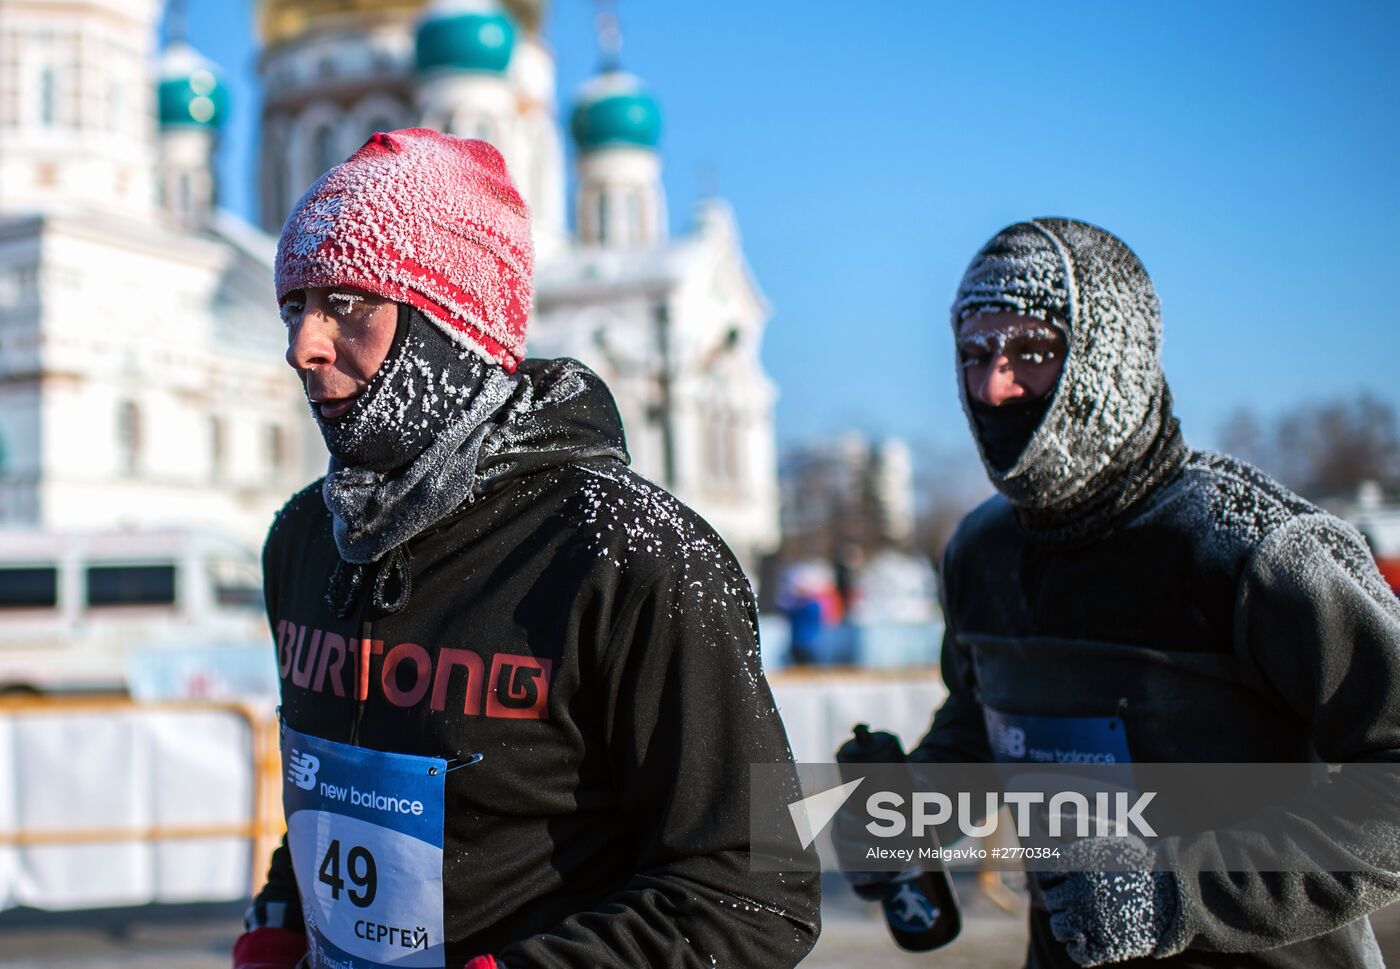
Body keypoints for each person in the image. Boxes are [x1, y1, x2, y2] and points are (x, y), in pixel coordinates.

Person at [230, 128, 819, 969]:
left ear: (449, 321)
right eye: (294, 307)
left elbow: (753, 889)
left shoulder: (630, 558)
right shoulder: (308, 541)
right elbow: (338, 788)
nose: (304, 347)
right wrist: (283, 913)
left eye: (349, 304)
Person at [904, 218, 1400, 966]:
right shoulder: (982, 551)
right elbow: (990, 723)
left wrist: (1177, 888)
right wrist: (910, 800)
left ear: (1112, 356)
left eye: (1032, 352)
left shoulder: (1254, 550)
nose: (994, 385)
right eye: (975, 354)